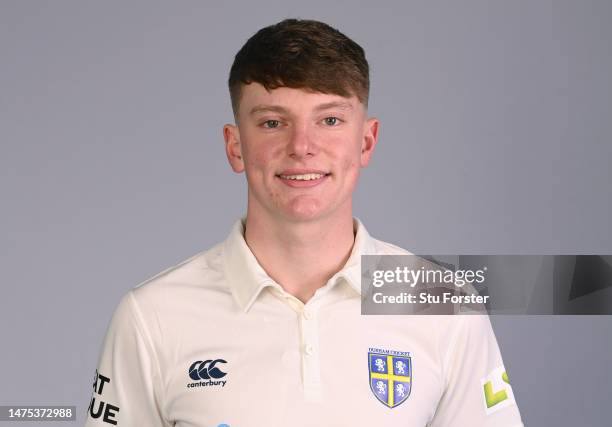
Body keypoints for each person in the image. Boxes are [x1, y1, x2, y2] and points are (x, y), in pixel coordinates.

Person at [85, 18, 524, 427]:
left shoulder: (444, 307)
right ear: (235, 146)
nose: (302, 146)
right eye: (274, 122)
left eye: (330, 120)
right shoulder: (152, 317)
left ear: (366, 142)